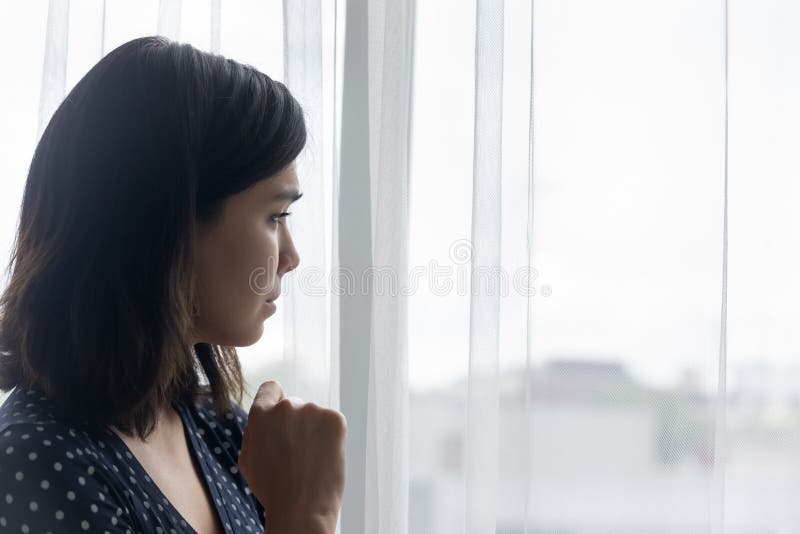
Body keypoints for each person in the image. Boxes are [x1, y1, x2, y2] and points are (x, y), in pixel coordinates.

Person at [0, 35, 346, 534]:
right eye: (275, 216)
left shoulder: (219, 427)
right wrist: (306, 514)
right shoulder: (35, 464)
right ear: (169, 228)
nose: (291, 257)